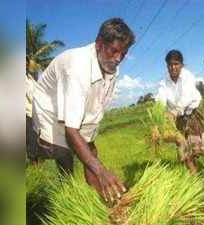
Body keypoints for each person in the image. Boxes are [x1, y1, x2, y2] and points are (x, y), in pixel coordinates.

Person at [32, 18, 135, 202]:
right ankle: (68, 197)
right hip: (51, 111)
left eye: (124, 53)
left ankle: (102, 198)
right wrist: (101, 170)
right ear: (99, 44)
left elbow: (94, 108)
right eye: (114, 51)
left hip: (79, 109)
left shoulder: (110, 66)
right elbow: (71, 130)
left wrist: (95, 165)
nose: (119, 58)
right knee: (65, 154)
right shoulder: (77, 67)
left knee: (91, 154)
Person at [155, 49, 204, 174]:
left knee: (201, 145)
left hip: (193, 112)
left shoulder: (188, 76)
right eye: (170, 64)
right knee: (183, 143)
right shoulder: (163, 82)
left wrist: (174, 112)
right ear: (167, 66)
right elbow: (160, 99)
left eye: (176, 64)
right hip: (178, 117)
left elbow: (186, 97)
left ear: (181, 65)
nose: (173, 67)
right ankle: (193, 173)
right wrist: (158, 118)